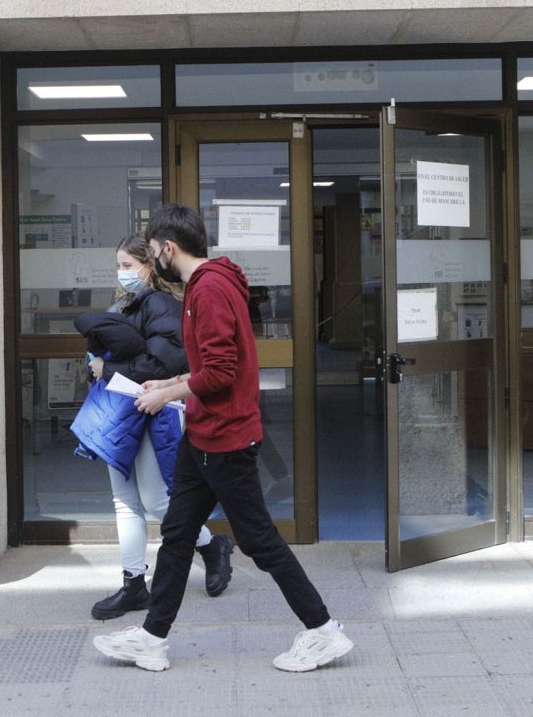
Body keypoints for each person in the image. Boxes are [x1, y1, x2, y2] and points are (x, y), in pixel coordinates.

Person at [93, 205, 354, 673]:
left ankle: (323, 631)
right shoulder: (213, 283)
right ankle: (152, 639)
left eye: (153, 252)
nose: (154, 261)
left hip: (225, 438)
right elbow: (215, 364)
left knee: (259, 541)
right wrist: (167, 386)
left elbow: (220, 371)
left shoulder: (208, 289)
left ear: (168, 248)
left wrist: (168, 391)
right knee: (176, 534)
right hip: (204, 434)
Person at [72, 234, 233, 620]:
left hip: (150, 410)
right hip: (120, 411)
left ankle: (212, 547)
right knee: (124, 501)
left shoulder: (160, 304)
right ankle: (133, 584)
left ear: (149, 265)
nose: (122, 273)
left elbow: (161, 365)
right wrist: (95, 366)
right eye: (118, 266)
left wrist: (106, 369)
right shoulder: (126, 304)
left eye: (128, 265)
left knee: (156, 499)